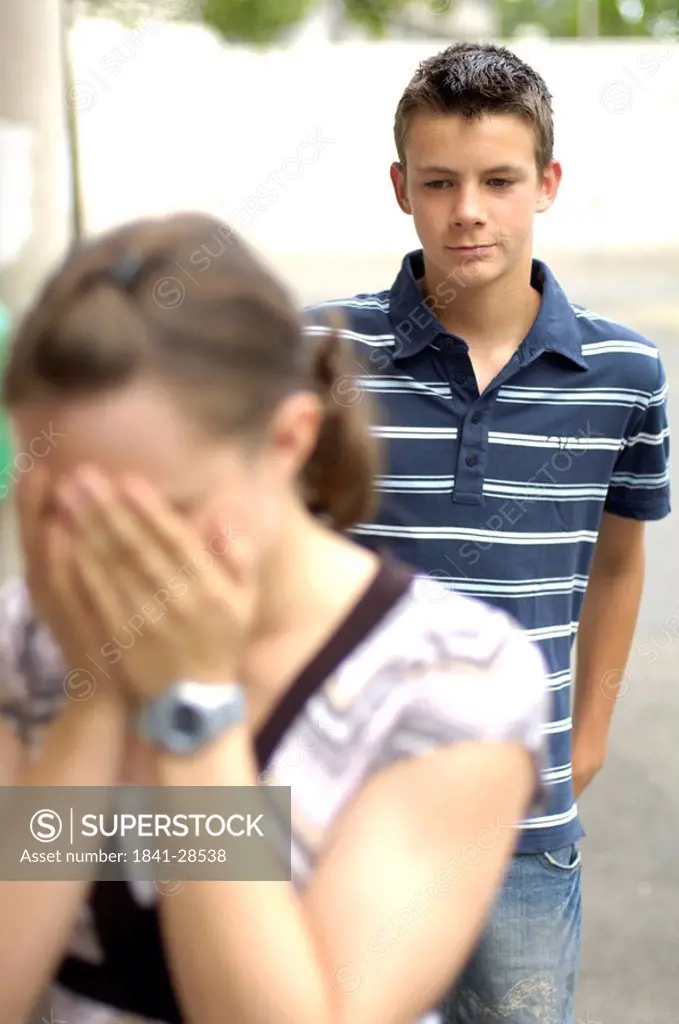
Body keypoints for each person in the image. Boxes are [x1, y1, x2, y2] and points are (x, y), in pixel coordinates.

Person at [0, 212, 549, 1024]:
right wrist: (97, 697)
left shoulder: (454, 680)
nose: (109, 560)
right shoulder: (25, 639)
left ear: (289, 439)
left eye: (164, 513)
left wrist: (192, 714)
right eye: (68, 513)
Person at [303, 42, 671, 1024]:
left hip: (521, 819)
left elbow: (619, 563)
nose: (467, 208)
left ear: (546, 184)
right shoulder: (316, 353)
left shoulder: (623, 375)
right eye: (439, 181)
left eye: (499, 180)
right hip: (333, 813)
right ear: (400, 189)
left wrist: (585, 731)